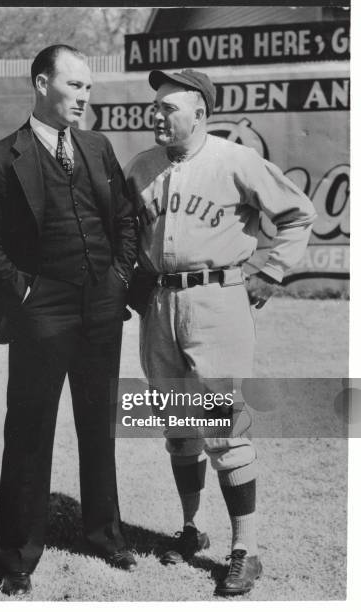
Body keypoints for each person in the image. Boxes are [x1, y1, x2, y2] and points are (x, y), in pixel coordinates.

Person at [125, 68, 316, 596]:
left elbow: (300, 215)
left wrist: (270, 272)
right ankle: (190, 529)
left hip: (217, 301)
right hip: (159, 304)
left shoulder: (236, 161)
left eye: (168, 107)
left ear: (200, 113)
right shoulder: (140, 167)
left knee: (223, 426)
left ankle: (245, 550)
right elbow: (121, 232)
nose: (156, 114)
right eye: (155, 105)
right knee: (178, 427)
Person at [0, 44, 138, 596]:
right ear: (42, 84)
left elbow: (126, 219)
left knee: (98, 423)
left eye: (89, 87)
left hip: (102, 305)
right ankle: (16, 554)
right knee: (31, 430)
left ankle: (104, 533)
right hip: (44, 310)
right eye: (76, 86)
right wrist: (26, 293)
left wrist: (120, 277)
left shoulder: (96, 146)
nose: (85, 97)